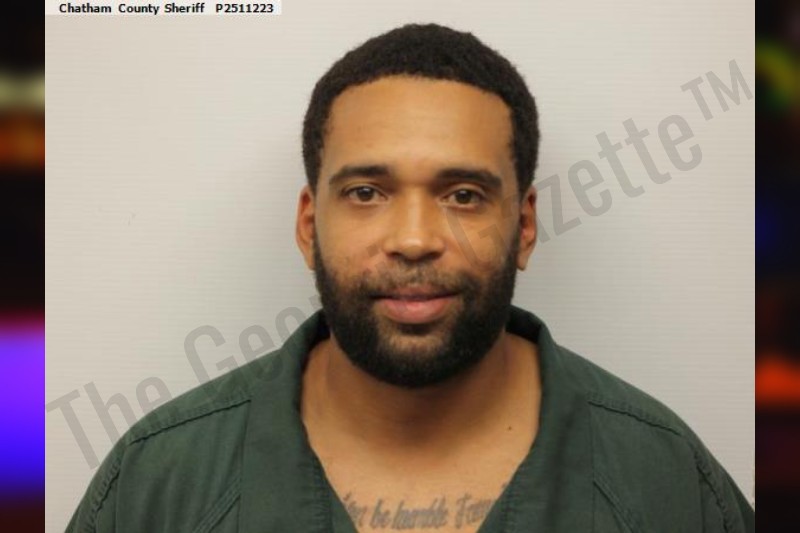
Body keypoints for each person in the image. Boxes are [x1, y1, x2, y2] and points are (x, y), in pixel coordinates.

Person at [66, 23, 754, 532]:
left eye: (464, 195)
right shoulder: (158, 482)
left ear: (523, 226)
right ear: (308, 225)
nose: (416, 240)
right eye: (366, 192)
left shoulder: (667, 484)